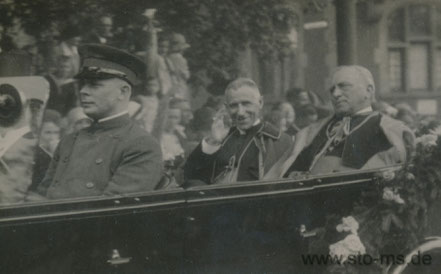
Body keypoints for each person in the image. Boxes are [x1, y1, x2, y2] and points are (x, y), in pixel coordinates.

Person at [36, 44, 163, 199]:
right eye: (83, 84)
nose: (83, 91)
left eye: (94, 85)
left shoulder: (140, 145)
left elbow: (111, 212)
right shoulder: (69, 141)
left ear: (123, 92)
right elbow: (42, 196)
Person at [265, 65, 414, 179]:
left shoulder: (388, 131)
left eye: (343, 86)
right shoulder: (313, 130)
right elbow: (283, 174)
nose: (335, 94)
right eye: (332, 89)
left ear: (368, 91)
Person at [184, 78, 293, 185]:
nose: (240, 112)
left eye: (246, 104)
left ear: (260, 102)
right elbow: (189, 177)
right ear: (226, 107)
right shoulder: (221, 138)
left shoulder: (280, 141)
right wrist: (213, 142)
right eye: (233, 105)